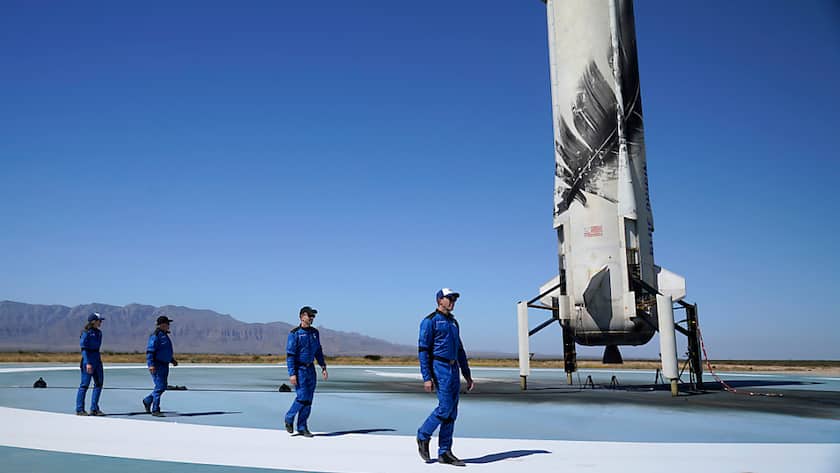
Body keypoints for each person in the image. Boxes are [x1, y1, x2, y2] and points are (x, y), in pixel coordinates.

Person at [416, 288, 474, 466]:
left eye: (454, 299)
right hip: (439, 367)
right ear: (440, 300)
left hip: (453, 368)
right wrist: (427, 377)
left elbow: (460, 350)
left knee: (452, 412)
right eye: (450, 298)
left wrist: (467, 374)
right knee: (445, 407)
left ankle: (445, 452)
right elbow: (423, 351)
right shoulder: (430, 321)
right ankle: (423, 435)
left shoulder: (453, 322)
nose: (453, 302)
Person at [284, 305, 328, 437]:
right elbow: (290, 355)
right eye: (310, 316)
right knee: (302, 396)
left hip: (311, 369)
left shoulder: (315, 333)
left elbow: (318, 351)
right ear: (302, 317)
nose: (312, 318)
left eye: (313, 316)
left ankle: (302, 427)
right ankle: (289, 417)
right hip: (300, 370)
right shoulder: (295, 334)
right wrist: (292, 374)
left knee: (309, 399)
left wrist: (323, 367)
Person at [143, 315, 178, 417]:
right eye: (167, 323)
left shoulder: (164, 335)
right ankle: (155, 409)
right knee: (160, 387)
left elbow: (164, 351)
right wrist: (151, 365)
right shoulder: (156, 336)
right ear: (162, 325)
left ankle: (147, 400)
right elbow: (150, 351)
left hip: (164, 364)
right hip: (157, 364)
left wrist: (172, 360)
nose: (169, 325)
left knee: (162, 386)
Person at [76, 312, 106, 416]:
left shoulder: (99, 333)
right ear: (93, 321)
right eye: (99, 321)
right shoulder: (86, 333)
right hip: (88, 361)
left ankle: (94, 408)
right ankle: (80, 409)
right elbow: (84, 349)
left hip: (97, 360)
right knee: (84, 385)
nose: (101, 322)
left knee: (99, 383)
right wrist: (88, 363)